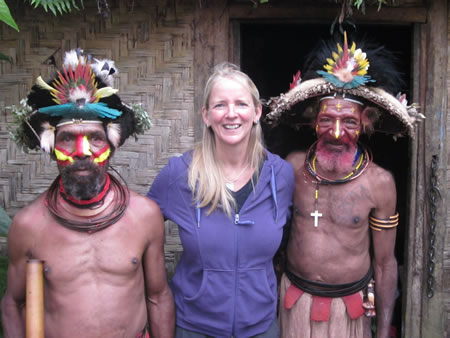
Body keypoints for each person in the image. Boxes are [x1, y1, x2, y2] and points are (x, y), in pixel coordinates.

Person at [1, 50, 175, 338]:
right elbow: (14, 303)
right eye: (68, 138)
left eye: (95, 138)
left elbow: (158, 296)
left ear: (112, 143)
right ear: (51, 146)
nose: (82, 152)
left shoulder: (144, 215)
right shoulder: (29, 225)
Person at [265, 33, 423, 338]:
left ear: (367, 123)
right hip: (293, 302)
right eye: (327, 120)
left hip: (350, 309)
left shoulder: (380, 183)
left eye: (349, 122)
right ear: (313, 121)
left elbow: (385, 263)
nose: (337, 133)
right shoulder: (292, 167)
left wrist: (383, 331)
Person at [147, 63, 294, 338]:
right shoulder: (179, 174)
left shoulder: (281, 176)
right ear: (206, 115)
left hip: (261, 329)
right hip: (194, 328)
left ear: (256, 112)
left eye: (241, 103)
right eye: (219, 105)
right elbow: (137, 227)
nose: (231, 114)